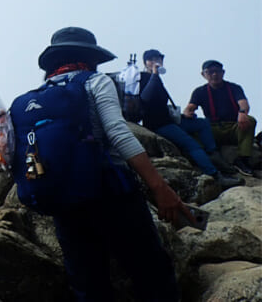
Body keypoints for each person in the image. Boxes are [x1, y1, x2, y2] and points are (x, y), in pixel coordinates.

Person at [35, 27, 187, 301]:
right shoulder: (95, 81)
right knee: (150, 271)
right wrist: (159, 187)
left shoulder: (37, 95)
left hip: (63, 200)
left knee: (88, 281)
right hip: (111, 191)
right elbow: (118, 132)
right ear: (90, 56)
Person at [137, 49, 240, 186]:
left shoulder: (156, 79)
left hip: (169, 120)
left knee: (202, 123)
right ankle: (215, 176)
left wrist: (183, 115)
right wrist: (154, 74)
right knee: (193, 145)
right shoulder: (143, 77)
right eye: (152, 59)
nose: (156, 61)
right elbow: (145, 97)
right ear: (145, 63)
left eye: (159, 59)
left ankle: (213, 154)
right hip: (159, 125)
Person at [185, 60, 257, 177]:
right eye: (210, 72)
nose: (214, 74)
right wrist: (189, 113)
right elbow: (189, 108)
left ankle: (243, 159)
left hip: (234, 127)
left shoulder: (234, 88)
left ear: (223, 72)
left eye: (217, 71)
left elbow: (243, 103)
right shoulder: (200, 91)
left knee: (250, 120)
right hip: (213, 130)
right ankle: (210, 157)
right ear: (203, 74)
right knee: (190, 131)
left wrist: (243, 112)